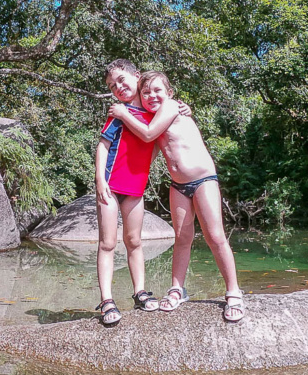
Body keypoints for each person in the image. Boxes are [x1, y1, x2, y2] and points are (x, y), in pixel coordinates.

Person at [108, 71, 244, 322]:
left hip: (203, 180)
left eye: (157, 90)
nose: (151, 96)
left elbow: (148, 134)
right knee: (181, 238)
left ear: (170, 93)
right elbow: (144, 150)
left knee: (215, 237)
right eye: (146, 92)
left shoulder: (170, 107)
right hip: (179, 186)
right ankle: (177, 288)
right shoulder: (150, 118)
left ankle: (233, 292)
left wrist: (123, 113)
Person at [94, 59, 190, 325]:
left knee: (135, 241)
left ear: (137, 76)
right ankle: (106, 300)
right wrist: (100, 180)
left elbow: (160, 133)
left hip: (135, 188)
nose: (118, 87)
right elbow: (103, 146)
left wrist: (185, 107)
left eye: (122, 80)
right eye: (112, 86)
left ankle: (140, 292)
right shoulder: (119, 113)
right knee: (107, 243)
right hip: (110, 186)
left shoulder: (155, 112)